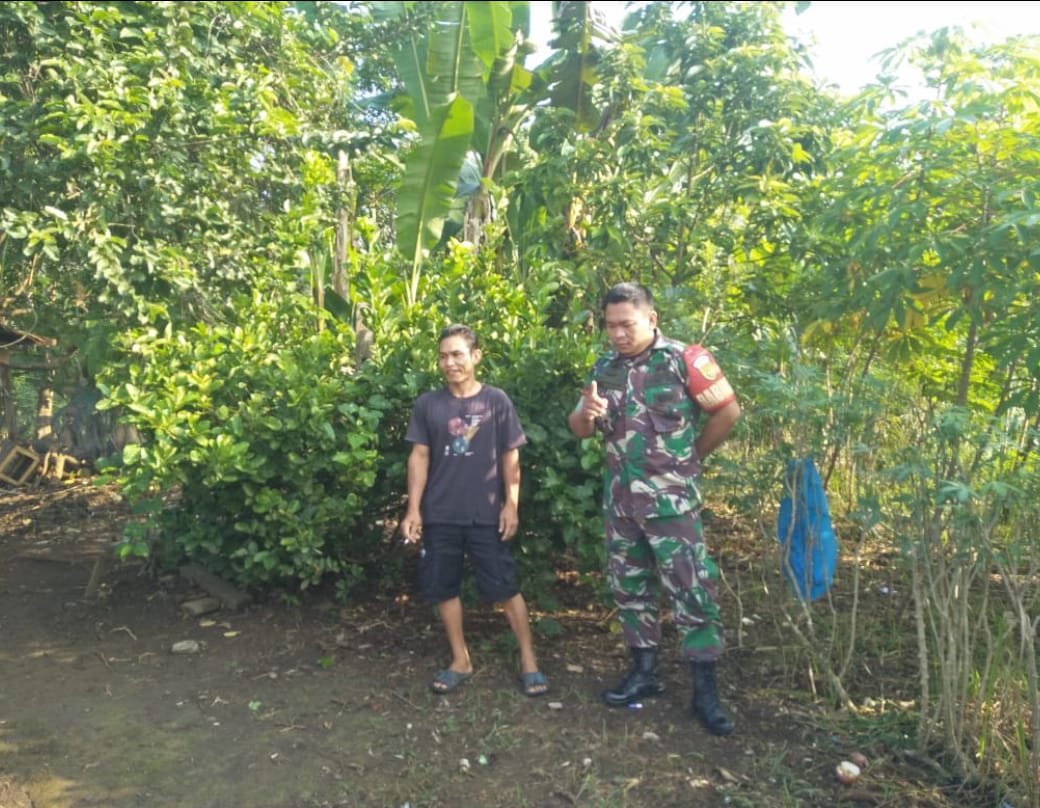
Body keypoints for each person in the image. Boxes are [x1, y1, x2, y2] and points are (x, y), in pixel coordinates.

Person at [567, 282, 741, 735]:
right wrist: (587, 413)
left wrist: (691, 459)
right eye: (610, 326)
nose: (618, 334)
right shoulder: (604, 368)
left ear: (651, 318)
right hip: (622, 505)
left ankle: (705, 690)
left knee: (692, 591)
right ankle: (644, 672)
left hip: (672, 506)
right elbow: (579, 428)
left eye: (627, 324)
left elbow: (727, 412)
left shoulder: (684, 360)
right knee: (630, 589)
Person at [400, 324, 548, 697]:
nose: (449, 363)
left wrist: (511, 505)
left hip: (486, 514)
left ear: (475, 356)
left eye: (457, 354)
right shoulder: (428, 404)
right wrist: (413, 509)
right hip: (440, 514)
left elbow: (511, 456)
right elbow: (419, 456)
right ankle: (460, 660)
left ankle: (529, 660)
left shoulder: (496, 401)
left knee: (505, 587)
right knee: (443, 587)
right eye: (443, 356)